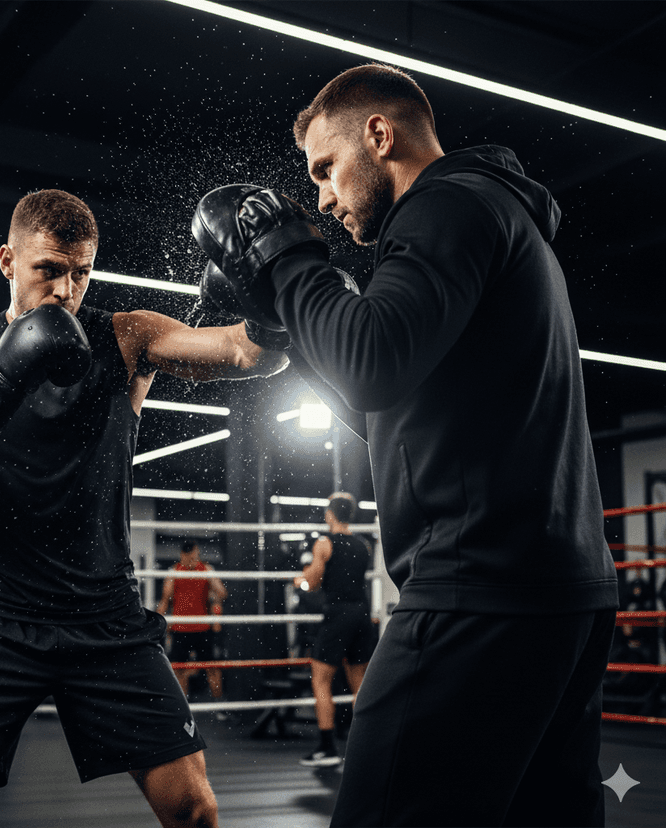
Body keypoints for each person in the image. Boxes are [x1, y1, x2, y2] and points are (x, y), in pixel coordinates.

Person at [191, 64, 619, 826]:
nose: (320, 195)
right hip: (559, 596)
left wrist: (289, 256)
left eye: (326, 167)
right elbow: (390, 405)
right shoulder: (495, 215)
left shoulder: (443, 207)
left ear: (379, 136)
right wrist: (295, 323)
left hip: (479, 592)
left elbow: (370, 361)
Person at [0, 188, 288, 828]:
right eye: (48, 270)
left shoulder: (126, 336)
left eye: (81, 272)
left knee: (195, 810)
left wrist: (272, 291)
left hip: (106, 616)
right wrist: (3, 378)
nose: (65, 290)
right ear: (7, 262)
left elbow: (249, 354)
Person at [294, 493, 376, 767]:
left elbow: (313, 583)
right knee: (360, 685)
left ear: (330, 514)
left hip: (339, 614)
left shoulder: (324, 543)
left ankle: (328, 748)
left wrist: (301, 577)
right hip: (362, 614)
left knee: (320, 679)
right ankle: (364, 747)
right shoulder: (363, 545)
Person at [156, 541, 228, 708]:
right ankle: (183, 706)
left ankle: (220, 707)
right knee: (179, 669)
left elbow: (222, 593)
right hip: (180, 629)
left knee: (211, 668)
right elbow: (165, 601)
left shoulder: (206, 570)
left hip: (202, 628)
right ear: (182, 555)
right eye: (188, 557)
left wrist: (209, 578)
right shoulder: (174, 572)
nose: (191, 560)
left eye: (194, 556)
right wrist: (156, 624)